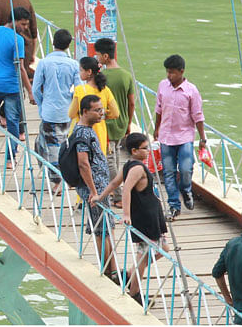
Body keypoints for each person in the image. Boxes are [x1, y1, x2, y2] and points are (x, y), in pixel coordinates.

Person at [95, 133, 169, 305]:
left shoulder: (129, 165)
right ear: (134, 151)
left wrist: (101, 196)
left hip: (152, 213)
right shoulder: (137, 168)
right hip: (146, 216)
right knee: (144, 255)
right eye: (145, 148)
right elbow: (125, 189)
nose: (148, 151)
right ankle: (135, 291)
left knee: (163, 248)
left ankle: (129, 274)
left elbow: (114, 183)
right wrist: (126, 214)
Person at [153, 54, 207, 221]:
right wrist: (156, 129)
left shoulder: (191, 91)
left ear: (181, 71)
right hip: (166, 136)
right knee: (168, 172)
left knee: (185, 169)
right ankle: (174, 205)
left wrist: (202, 138)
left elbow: (197, 115)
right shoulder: (163, 86)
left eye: (172, 72)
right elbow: (159, 109)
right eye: (167, 72)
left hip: (184, 136)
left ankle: (186, 189)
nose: (169, 76)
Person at [0, 6, 33, 162]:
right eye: (23, 24)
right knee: (13, 122)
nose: (25, 28)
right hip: (11, 87)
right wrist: (30, 91)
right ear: (14, 21)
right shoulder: (18, 40)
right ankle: (10, 158)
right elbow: (21, 68)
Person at [72, 94, 116, 279]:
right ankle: (106, 271)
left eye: (102, 109)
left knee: (106, 227)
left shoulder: (87, 129)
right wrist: (93, 191)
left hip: (100, 187)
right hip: (95, 188)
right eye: (97, 110)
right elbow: (83, 163)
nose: (101, 114)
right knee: (101, 230)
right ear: (84, 112)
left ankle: (112, 269)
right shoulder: (82, 133)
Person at [32, 29, 80, 174]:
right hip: (66, 111)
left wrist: (42, 104)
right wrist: (70, 99)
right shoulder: (73, 64)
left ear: (53, 42)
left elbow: (35, 89)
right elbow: (78, 90)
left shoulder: (44, 63)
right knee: (53, 143)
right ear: (68, 45)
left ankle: (56, 179)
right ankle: (56, 172)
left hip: (49, 111)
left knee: (54, 146)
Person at [93, 37, 135, 178]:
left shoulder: (101, 77)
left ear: (105, 56)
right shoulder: (127, 75)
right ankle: (115, 189)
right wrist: (128, 123)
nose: (97, 58)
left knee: (109, 159)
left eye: (98, 54)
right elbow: (132, 103)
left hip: (108, 123)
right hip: (122, 122)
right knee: (115, 153)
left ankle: (116, 193)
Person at [68, 56, 120, 158]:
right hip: (100, 133)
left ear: (89, 72)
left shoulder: (80, 90)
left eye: (81, 70)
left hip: (81, 133)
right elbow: (115, 113)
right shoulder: (105, 90)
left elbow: (71, 114)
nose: (79, 73)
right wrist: (100, 115)